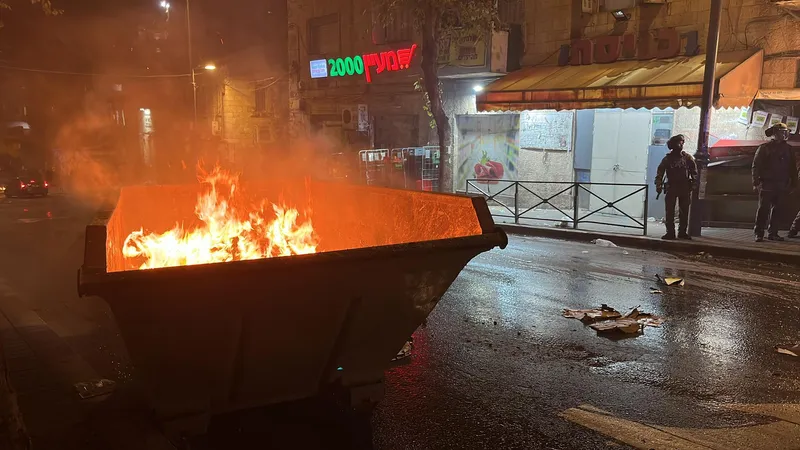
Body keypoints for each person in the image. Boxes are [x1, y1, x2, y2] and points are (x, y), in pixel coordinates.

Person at [752, 123, 797, 242]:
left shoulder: (789, 149)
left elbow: (793, 168)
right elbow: (756, 166)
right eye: (782, 132)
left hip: (782, 183)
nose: (784, 135)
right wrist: (755, 182)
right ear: (775, 133)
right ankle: (759, 233)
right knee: (763, 209)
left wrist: (794, 183)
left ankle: (773, 233)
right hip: (767, 183)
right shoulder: (764, 148)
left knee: (778, 210)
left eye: (785, 132)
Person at [655, 134, 697, 240]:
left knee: (684, 211)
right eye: (679, 142)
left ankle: (682, 232)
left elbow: (694, 171)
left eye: (682, 142)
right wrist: (658, 184)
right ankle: (670, 232)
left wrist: (694, 183)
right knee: (670, 211)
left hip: (684, 187)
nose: (681, 145)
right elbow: (660, 172)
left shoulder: (687, 158)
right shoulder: (667, 159)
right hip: (672, 187)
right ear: (673, 145)